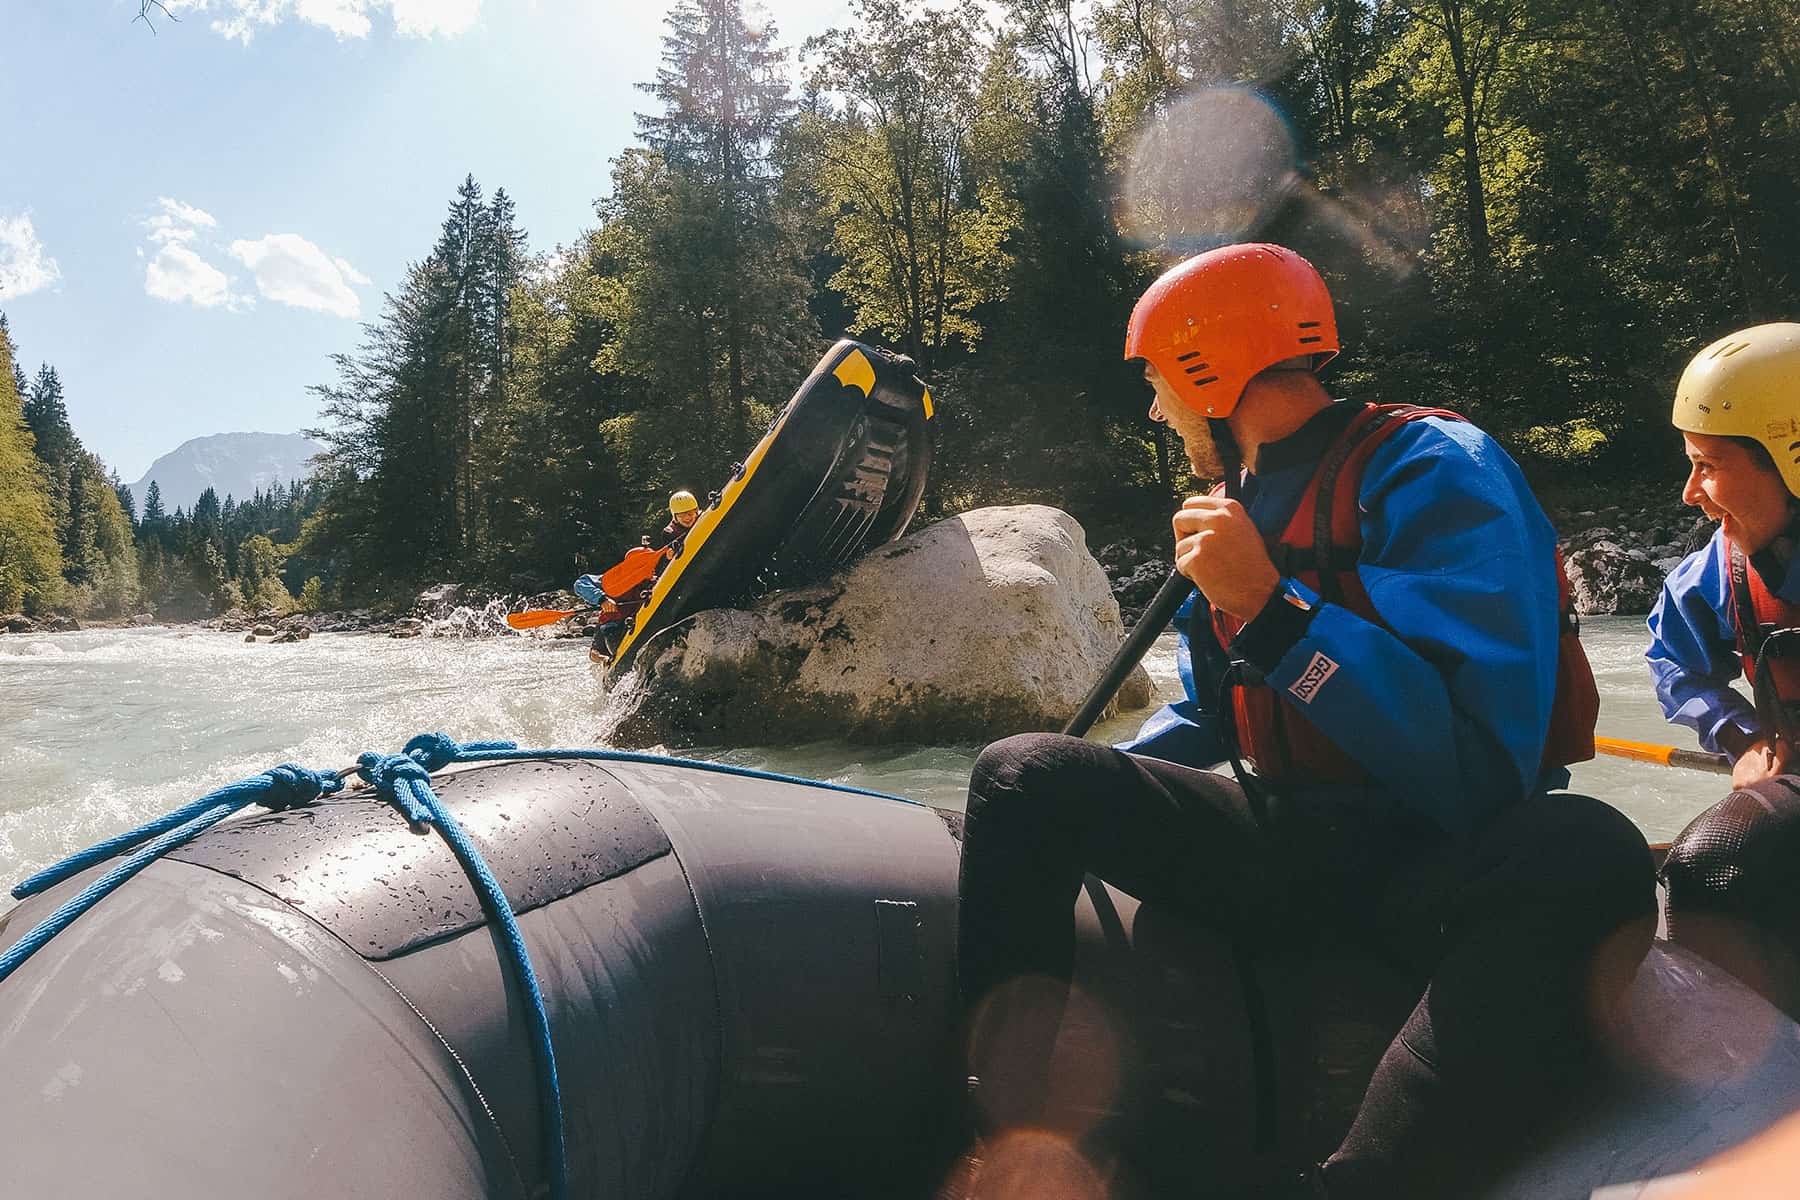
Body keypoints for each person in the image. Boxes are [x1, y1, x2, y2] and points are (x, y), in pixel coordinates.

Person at [954, 243, 1654, 1198]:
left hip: (1436, 862)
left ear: (1213, 371)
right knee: (1022, 775)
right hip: (1291, 845)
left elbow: (1481, 769)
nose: (1154, 409)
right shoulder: (1234, 501)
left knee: (1586, 844)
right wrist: (1079, 785)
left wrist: (1279, 612)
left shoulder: (1436, 468)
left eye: (1158, 382)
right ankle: (1008, 1157)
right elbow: (1211, 714)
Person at [1647, 321, 1800, 1018]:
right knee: (1710, 860)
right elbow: (1673, 662)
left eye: (1707, 464)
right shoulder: (1720, 569)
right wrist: (1740, 737)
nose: (1691, 492)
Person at [580, 490, 706, 664]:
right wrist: (602, 599)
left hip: (638, 620)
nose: (642, 569)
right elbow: (581, 583)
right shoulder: (614, 580)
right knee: (606, 632)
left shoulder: (651, 579)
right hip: (614, 627)